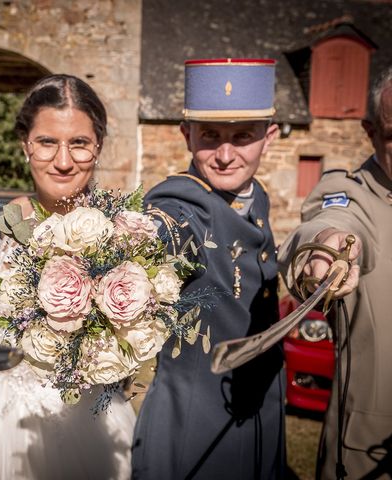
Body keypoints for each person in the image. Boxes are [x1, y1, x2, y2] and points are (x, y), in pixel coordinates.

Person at [0, 74, 136, 480]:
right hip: (3, 421)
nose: (63, 160)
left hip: (92, 420)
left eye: (79, 143)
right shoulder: (13, 217)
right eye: (47, 142)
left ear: (98, 146)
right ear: (25, 144)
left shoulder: (120, 231)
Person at [131, 58, 285, 479]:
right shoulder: (182, 202)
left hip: (257, 413)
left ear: (268, 137)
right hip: (194, 426)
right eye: (210, 136)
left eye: (242, 137)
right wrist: (142, 241)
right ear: (186, 134)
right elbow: (169, 227)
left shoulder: (257, 197)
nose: (224, 154)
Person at [277, 66, 392, 479]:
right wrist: (326, 247)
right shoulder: (350, 192)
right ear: (371, 131)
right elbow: (334, 219)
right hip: (366, 459)